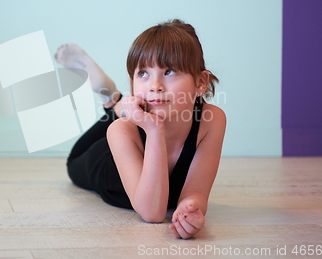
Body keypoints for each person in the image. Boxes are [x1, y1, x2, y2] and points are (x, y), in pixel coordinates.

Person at [54, 19, 226, 239]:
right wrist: (154, 130)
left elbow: (196, 191)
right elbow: (153, 213)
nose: (155, 85)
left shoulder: (211, 121)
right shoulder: (122, 131)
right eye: (143, 73)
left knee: (122, 118)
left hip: (136, 127)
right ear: (133, 83)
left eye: (170, 71)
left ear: (201, 83)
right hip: (102, 161)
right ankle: (113, 103)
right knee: (74, 162)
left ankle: (115, 102)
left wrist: (190, 208)